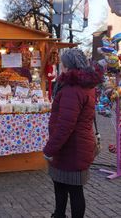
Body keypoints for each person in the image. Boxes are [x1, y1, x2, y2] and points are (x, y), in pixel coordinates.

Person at [43, 48, 102, 218]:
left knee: (72, 190)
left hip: (71, 148)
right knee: (70, 188)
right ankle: (58, 214)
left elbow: (65, 126)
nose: (59, 66)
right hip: (76, 147)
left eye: (61, 63)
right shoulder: (86, 85)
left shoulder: (71, 88)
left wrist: (49, 149)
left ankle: (59, 214)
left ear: (67, 66)